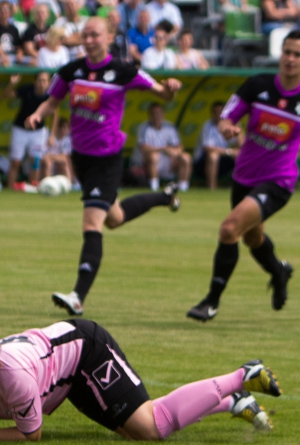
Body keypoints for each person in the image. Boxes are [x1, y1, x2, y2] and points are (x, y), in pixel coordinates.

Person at [186, 29, 300, 322]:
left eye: (297, 54)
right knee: (253, 238)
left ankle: (210, 302)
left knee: (229, 230)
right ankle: (279, 271)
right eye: (286, 52)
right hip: (244, 177)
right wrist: (228, 128)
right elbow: (229, 117)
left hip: (279, 181)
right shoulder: (257, 85)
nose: (290, 59)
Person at [25, 17, 182, 317]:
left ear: (109, 37)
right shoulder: (71, 71)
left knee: (91, 223)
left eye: (94, 35)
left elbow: (161, 92)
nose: (88, 39)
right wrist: (37, 114)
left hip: (107, 158)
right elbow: (52, 100)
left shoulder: (124, 71)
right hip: (81, 158)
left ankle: (77, 296)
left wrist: (172, 89)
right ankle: (166, 196)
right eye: (85, 35)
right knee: (114, 217)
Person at [0, 319, 282, 443]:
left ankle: (242, 376)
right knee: (132, 433)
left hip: (87, 351)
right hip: (67, 378)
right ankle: (230, 403)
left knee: (152, 428)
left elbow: (31, 435)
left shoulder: (12, 377)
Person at [3, 72, 57, 190]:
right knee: (15, 162)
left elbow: (54, 114)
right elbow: (5, 95)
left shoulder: (50, 95)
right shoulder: (27, 89)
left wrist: (52, 135)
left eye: (45, 81)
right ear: (35, 82)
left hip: (39, 132)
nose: (42, 83)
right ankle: (10, 189)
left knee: (35, 161)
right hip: (20, 129)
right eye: (40, 80)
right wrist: (11, 84)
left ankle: (32, 188)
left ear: (48, 83)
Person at [130, 103, 191, 192]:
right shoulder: (144, 127)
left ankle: (183, 188)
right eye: (154, 113)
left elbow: (179, 146)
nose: (156, 116)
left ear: (163, 114)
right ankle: (154, 187)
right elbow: (144, 148)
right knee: (154, 156)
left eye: (159, 113)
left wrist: (175, 152)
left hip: (169, 162)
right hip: (147, 163)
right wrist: (163, 149)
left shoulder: (170, 127)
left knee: (186, 157)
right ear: (149, 115)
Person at [193, 101, 243, 191]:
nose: (218, 115)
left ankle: (241, 188)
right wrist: (229, 152)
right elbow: (209, 149)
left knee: (241, 155)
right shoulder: (207, 125)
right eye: (216, 112)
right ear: (212, 114)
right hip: (202, 163)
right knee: (213, 156)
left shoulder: (230, 125)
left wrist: (239, 130)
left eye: (220, 112)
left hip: (223, 161)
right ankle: (212, 189)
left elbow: (241, 146)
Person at [0, 0, 23, 66]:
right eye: (0, 9)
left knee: (34, 62)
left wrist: (19, 54)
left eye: (6, 9)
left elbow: (19, 46)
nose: (3, 11)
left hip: (13, 57)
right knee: (5, 62)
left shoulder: (14, 29)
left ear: (10, 12)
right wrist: (3, 56)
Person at [43, 117, 75, 187]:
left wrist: (52, 157)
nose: (65, 130)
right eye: (63, 127)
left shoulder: (68, 139)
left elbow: (66, 156)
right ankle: (48, 185)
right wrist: (52, 157)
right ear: (57, 128)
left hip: (57, 163)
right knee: (47, 162)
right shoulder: (49, 137)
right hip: (48, 163)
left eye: (67, 128)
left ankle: (69, 186)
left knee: (66, 162)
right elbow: (44, 156)